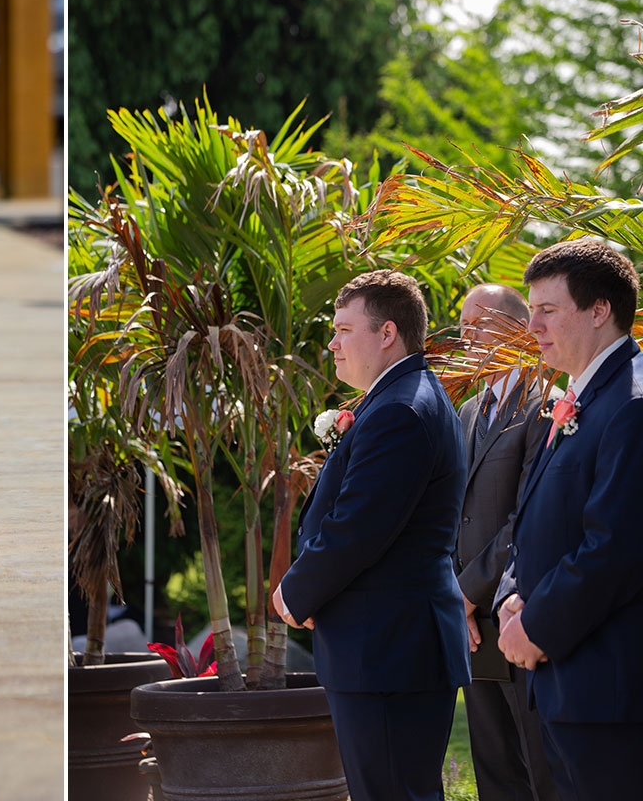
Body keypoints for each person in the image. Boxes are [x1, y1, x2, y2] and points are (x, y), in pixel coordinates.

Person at [273, 269, 469, 801]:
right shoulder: (401, 398)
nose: (332, 343)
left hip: (387, 648)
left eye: (343, 329)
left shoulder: (402, 410)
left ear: (387, 333)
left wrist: (297, 592)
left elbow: (359, 526)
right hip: (385, 643)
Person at [494, 238, 643, 800]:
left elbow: (618, 546)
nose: (531, 325)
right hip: (566, 683)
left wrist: (538, 625)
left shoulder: (633, 403)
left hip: (609, 689)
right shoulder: (580, 399)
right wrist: (512, 594)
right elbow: (534, 515)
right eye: (531, 310)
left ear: (600, 310)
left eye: (547, 310)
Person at [456, 284, 557, 801]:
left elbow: (527, 514)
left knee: (541, 763)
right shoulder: (469, 411)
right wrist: (459, 600)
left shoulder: (546, 406)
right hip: (471, 624)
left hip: (519, 608)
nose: (466, 336)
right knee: (494, 766)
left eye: (480, 323)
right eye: (462, 325)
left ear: (518, 330)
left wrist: (470, 592)